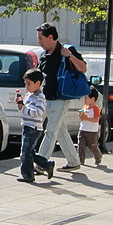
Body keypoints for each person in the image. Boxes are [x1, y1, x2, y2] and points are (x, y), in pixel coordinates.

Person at [35, 22, 87, 173]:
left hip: (60, 98)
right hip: (47, 98)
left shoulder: (66, 50)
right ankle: (74, 161)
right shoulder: (44, 55)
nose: (39, 42)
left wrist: (69, 56)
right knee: (60, 130)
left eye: (41, 38)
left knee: (50, 131)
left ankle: (41, 162)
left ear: (51, 37)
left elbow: (83, 68)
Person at [15, 68, 50, 183]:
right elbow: (26, 108)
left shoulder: (40, 97)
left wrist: (24, 108)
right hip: (27, 126)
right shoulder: (29, 95)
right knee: (29, 152)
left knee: (25, 153)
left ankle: (28, 175)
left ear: (38, 83)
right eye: (26, 83)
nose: (26, 86)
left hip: (33, 128)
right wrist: (21, 103)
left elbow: (38, 112)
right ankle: (47, 164)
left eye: (29, 84)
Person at [77, 87, 104, 166]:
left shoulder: (96, 109)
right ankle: (81, 160)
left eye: (86, 98)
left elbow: (96, 119)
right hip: (83, 129)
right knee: (81, 145)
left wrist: (87, 118)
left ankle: (98, 156)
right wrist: (81, 117)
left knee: (92, 146)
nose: (84, 100)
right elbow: (82, 117)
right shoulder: (84, 107)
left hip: (92, 132)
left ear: (92, 99)